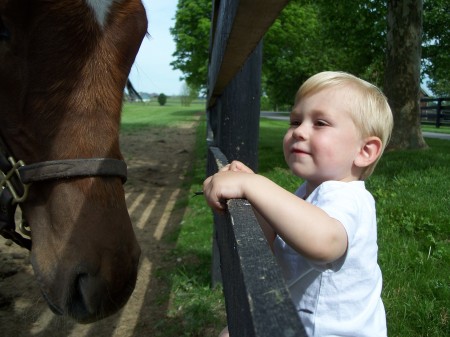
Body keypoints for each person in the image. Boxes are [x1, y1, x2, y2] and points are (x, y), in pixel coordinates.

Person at [203, 71, 394, 337]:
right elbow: (273, 241)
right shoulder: (308, 191)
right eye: (295, 121)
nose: (299, 132)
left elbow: (324, 243)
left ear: (364, 151)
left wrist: (255, 185)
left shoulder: (348, 197)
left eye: (320, 123)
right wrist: (254, 197)